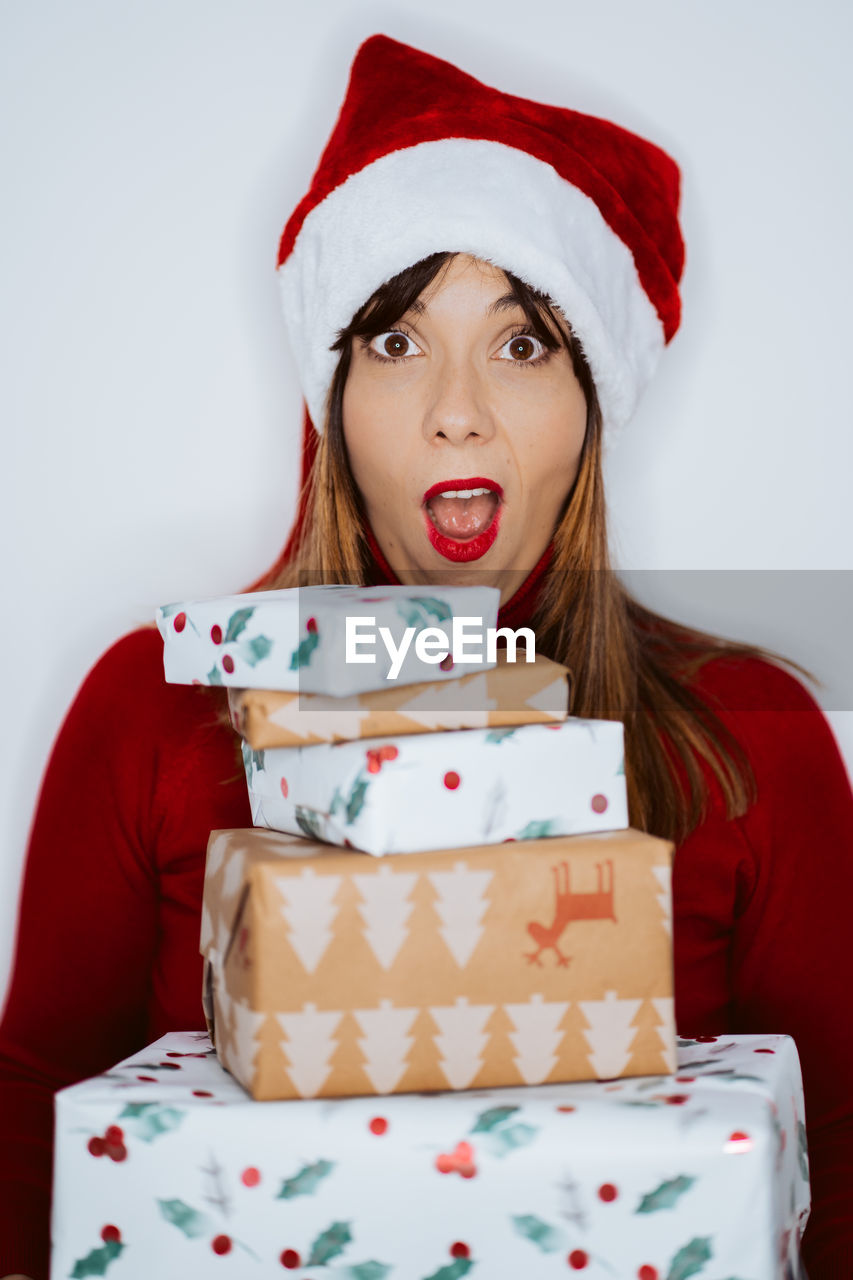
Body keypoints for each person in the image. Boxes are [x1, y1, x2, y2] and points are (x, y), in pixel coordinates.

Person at [1, 33, 851, 1280]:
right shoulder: (154, 706)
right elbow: (33, 1136)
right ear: (331, 399)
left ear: (593, 400)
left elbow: (830, 1160)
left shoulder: (750, 735)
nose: (458, 405)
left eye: (522, 344)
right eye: (396, 341)